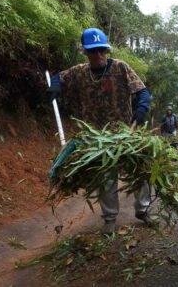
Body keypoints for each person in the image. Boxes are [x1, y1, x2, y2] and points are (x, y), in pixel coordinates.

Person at [48, 27, 152, 234]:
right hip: (97, 138)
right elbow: (58, 77)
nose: (98, 55)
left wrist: (140, 111)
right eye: (93, 51)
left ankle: (143, 210)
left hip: (124, 133)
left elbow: (143, 93)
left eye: (102, 50)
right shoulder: (79, 72)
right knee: (106, 178)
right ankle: (110, 219)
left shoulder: (121, 68)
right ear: (85, 53)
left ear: (107, 50)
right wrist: (54, 86)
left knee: (141, 170)